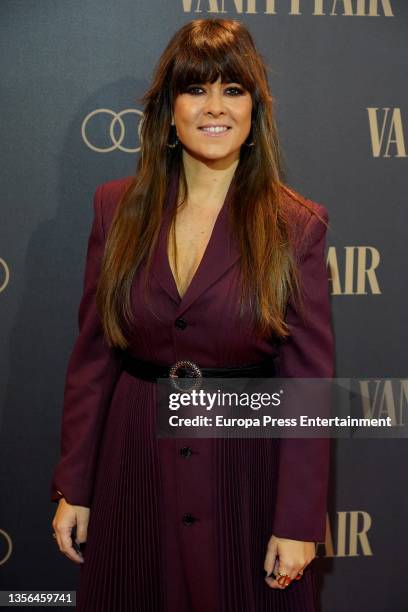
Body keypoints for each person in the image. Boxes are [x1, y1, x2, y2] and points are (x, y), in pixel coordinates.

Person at [50, 18, 333, 612]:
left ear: (255, 110)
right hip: (134, 467)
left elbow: (308, 384)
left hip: (245, 470)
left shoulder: (296, 224)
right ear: (169, 110)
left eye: (233, 90)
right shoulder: (115, 208)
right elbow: (94, 358)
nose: (215, 107)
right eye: (196, 88)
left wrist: (300, 520)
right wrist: (74, 484)